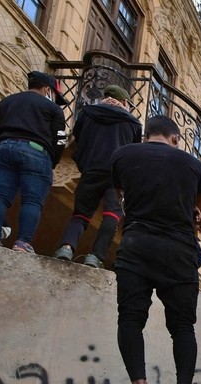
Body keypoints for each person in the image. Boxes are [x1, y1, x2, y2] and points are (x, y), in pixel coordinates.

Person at [110, 115, 201, 384]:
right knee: (182, 326)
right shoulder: (192, 164)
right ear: (175, 138)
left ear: (146, 134)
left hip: (136, 244)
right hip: (178, 251)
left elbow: (121, 198)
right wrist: (189, 210)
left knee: (130, 318)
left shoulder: (122, 155)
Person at [52, 84, 141, 268]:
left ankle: (66, 247)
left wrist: (83, 161)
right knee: (112, 215)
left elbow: (79, 138)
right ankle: (95, 256)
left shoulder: (87, 113)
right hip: (117, 176)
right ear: (124, 102)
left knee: (81, 214)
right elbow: (134, 153)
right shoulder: (133, 123)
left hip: (91, 169)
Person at [0, 70, 68, 254]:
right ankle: (22, 243)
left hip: (6, 147)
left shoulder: (6, 102)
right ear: (47, 89)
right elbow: (60, 139)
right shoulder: (53, 109)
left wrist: (7, 144)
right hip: (37, 152)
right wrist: (52, 161)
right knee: (32, 200)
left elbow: (0, 128)